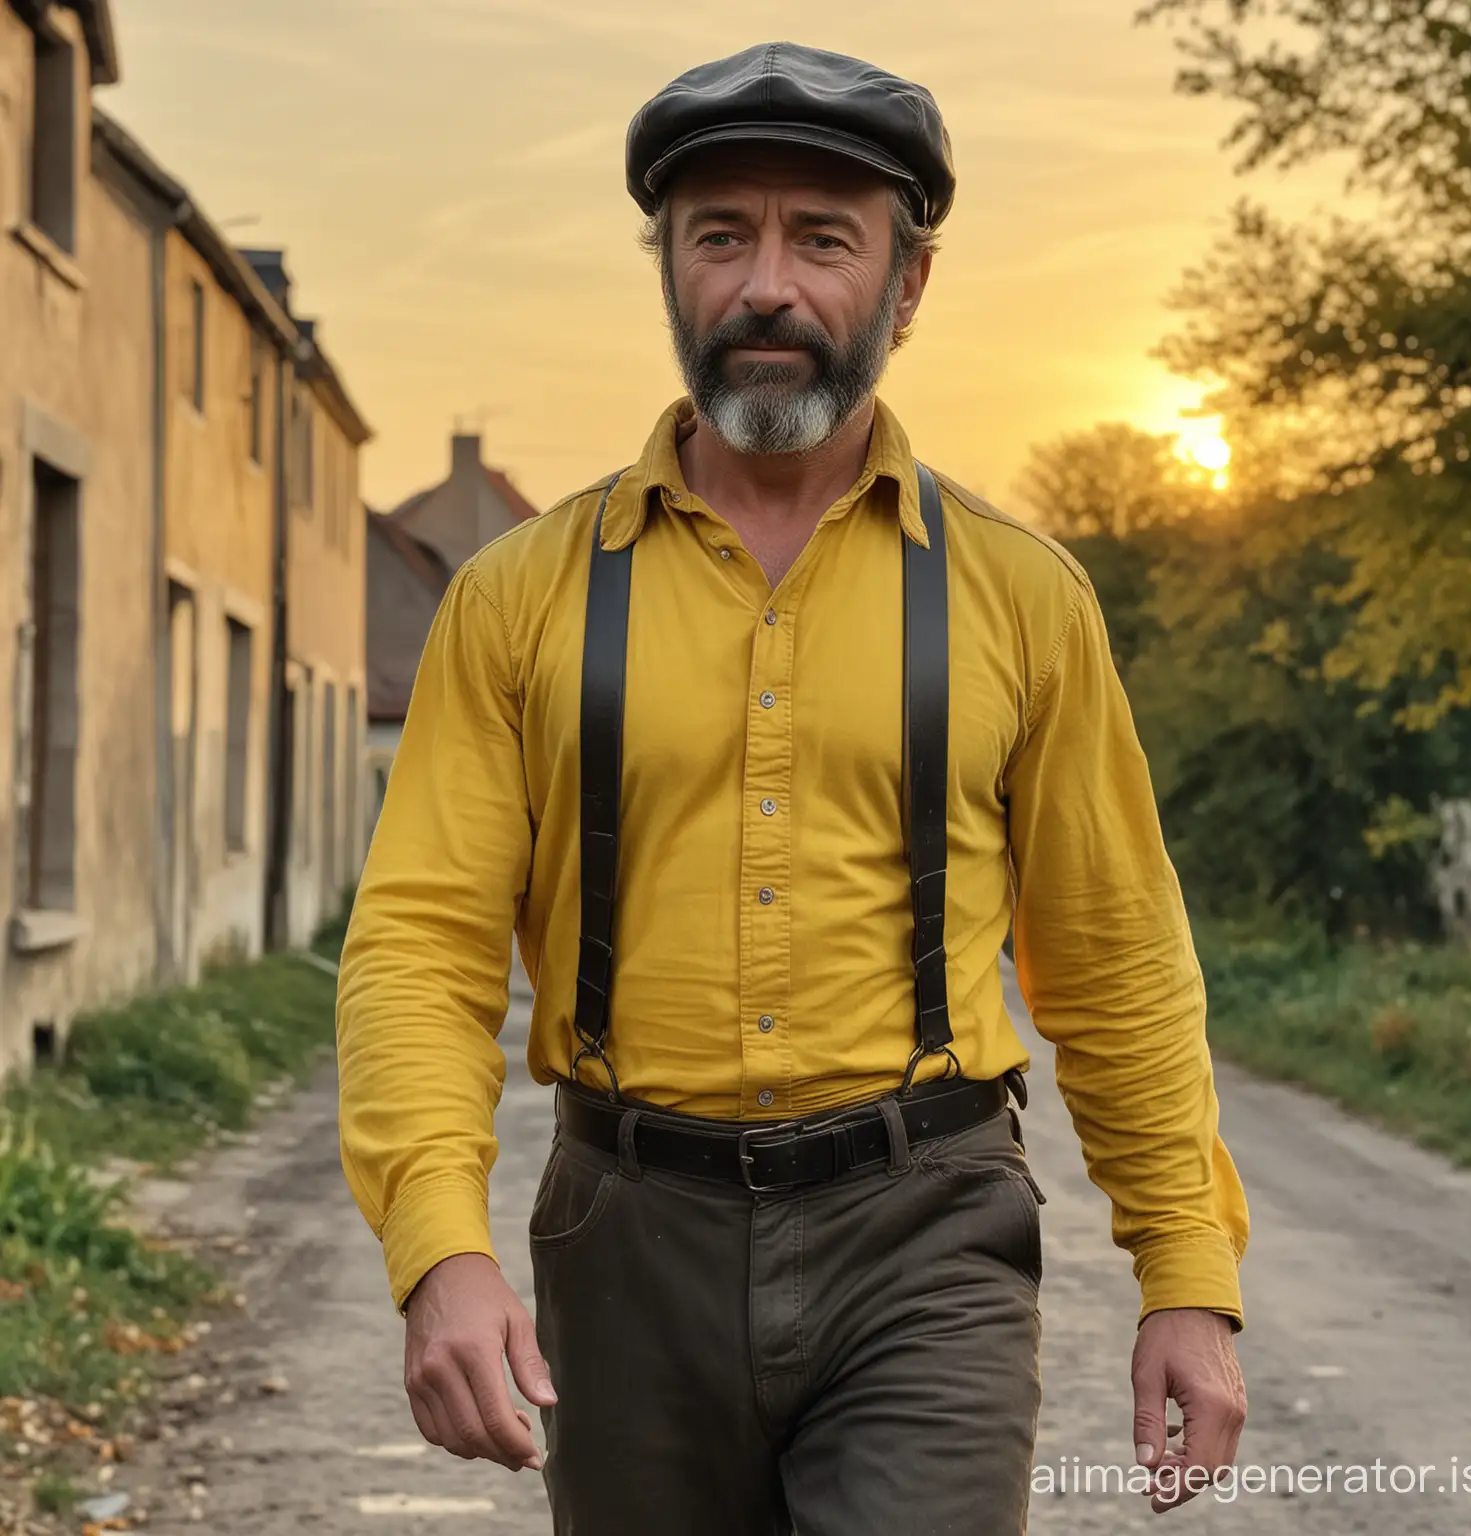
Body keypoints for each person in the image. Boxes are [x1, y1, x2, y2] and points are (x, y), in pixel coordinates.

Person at [337, 41, 1250, 1534]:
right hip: (625, 1235)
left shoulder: (1027, 601)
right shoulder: (517, 600)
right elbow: (421, 946)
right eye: (722, 236)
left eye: (823, 239)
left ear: (907, 284)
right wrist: (440, 1250)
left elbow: (1118, 961)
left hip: (928, 1232)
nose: (769, 285)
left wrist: (1188, 1282)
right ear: (672, 274)